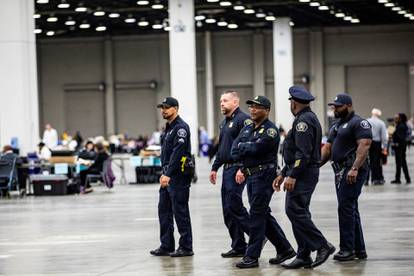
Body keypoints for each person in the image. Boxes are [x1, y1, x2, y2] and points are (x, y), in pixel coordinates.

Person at [274, 86, 335, 269]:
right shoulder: (305, 118)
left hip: (304, 173)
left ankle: (322, 245)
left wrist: (292, 175)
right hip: (301, 171)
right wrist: (283, 173)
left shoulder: (304, 122)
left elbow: (304, 153)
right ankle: (303, 255)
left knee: (294, 210)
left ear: (294, 103)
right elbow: (295, 155)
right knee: (299, 211)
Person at [231, 95, 294, 269]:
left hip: (264, 176)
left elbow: (256, 148)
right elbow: (234, 150)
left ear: (267, 110)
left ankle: (252, 256)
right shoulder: (248, 128)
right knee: (262, 213)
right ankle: (285, 248)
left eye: (257, 107)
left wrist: (245, 147)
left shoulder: (270, 131)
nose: (252, 109)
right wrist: (246, 147)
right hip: (251, 175)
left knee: (257, 216)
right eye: (251, 106)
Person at [321, 93, 372, 262]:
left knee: (345, 208)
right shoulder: (336, 125)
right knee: (350, 208)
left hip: (352, 170)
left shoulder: (359, 122)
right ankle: (359, 249)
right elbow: (327, 149)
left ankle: (347, 249)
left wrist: (355, 168)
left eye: (338, 106)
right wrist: (315, 165)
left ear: (348, 106)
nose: (334, 109)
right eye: (333, 106)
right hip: (340, 171)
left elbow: (364, 145)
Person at [209, 90, 252, 258]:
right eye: (221, 101)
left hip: (237, 168)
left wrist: (243, 167)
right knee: (227, 210)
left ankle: (256, 236)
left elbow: (247, 145)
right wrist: (214, 167)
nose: (222, 103)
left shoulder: (243, 120)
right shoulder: (224, 123)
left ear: (236, 102)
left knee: (235, 205)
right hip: (227, 168)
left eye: (225, 101)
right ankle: (239, 245)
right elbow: (222, 149)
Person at [150, 97, 194, 257]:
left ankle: (186, 247)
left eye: (167, 107)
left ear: (175, 108)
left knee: (180, 211)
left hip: (178, 176)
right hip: (167, 175)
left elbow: (178, 152)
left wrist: (168, 174)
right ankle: (167, 245)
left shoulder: (181, 128)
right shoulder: (168, 129)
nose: (163, 110)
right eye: (162, 107)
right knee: (164, 211)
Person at [367, 108, 388, 185]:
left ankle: (366, 180)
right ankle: (375, 179)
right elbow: (383, 136)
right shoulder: (381, 123)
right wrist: (385, 146)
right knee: (377, 161)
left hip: (368, 143)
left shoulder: (367, 121)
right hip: (377, 144)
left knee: (368, 161)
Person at [391, 113, 411, 184]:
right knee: (401, 163)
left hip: (400, 147)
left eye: (396, 118)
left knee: (400, 163)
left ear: (400, 118)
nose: (395, 119)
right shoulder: (400, 125)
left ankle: (400, 179)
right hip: (400, 146)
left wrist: (393, 135)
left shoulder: (401, 126)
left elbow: (401, 137)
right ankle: (404, 178)